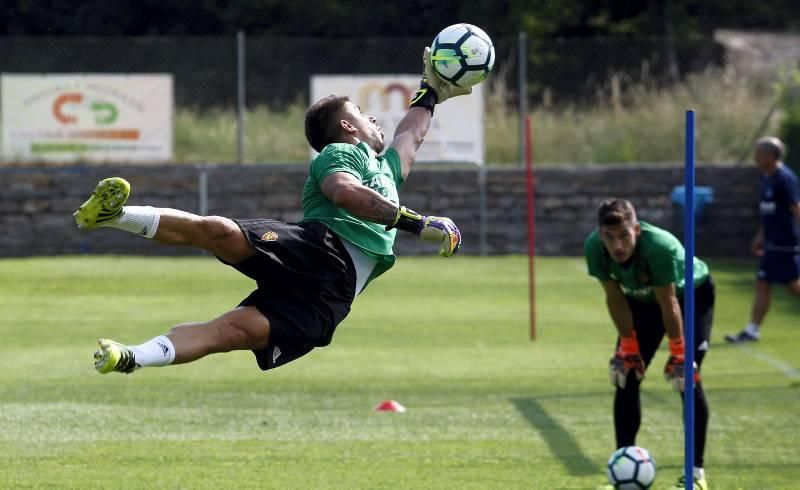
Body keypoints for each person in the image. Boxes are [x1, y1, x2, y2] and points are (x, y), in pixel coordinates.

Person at [73, 48, 467, 375]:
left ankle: (130, 356)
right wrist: (416, 223)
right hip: (321, 249)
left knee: (232, 332)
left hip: (331, 298)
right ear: (348, 125)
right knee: (221, 233)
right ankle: (114, 216)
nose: (375, 118)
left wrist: (430, 89)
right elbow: (344, 192)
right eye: (365, 112)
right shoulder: (342, 152)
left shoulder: (388, 169)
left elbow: (410, 134)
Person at [585, 200, 713, 490]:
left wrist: (679, 351)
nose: (618, 245)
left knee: (686, 380)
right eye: (610, 237)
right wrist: (628, 346)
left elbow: (668, 301)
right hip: (641, 303)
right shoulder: (594, 248)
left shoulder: (659, 247)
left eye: (624, 236)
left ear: (637, 230)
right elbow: (615, 298)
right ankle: (622, 464)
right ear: (600, 234)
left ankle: (695, 475)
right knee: (626, 374)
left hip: (689, 297)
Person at [725, 137, 800, 343]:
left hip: (785, 243)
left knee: (792, 286)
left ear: (770, 156)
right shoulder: (767, 177)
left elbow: (796, 208)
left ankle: (752, 329)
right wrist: (761, 235)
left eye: (758, 153)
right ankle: (752, 330)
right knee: (763, 282)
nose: (755, 157)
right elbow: (770, 212)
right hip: (772, 241)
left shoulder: (785, 178)